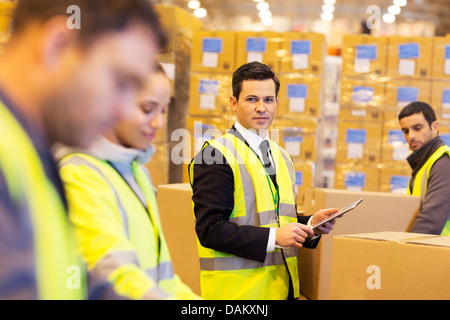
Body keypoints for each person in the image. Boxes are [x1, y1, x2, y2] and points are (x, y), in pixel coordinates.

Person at [0, 0, 166, 299]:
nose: (121, 111)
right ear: (57, 45)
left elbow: (74, 283)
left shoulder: (32, 153)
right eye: (121, 82)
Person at [188, 61, 339, 300]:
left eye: (268, 100)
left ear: (277, 103)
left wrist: (310, 224)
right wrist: (274, 237)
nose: (261, 108)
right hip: (238, 296)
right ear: (234, 104)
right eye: (251, 99)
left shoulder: (281, 156)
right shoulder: (215, 155)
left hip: (282, 290)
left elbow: (276, 218)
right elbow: (210, 229)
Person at [55, 64, 202, 300]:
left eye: (163, 111)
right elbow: (113, 274)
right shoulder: (79, 174)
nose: (158, 123)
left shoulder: (137, 171)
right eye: (147, 109)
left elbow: (160, 277)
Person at [398, 101, 450, 235]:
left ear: (435, 127)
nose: (411, 136)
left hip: (441, 250)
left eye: (417, 128)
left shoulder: (443, 162)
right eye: (406, 131)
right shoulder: (423, 164)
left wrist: (403, 251)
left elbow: (430, 220)